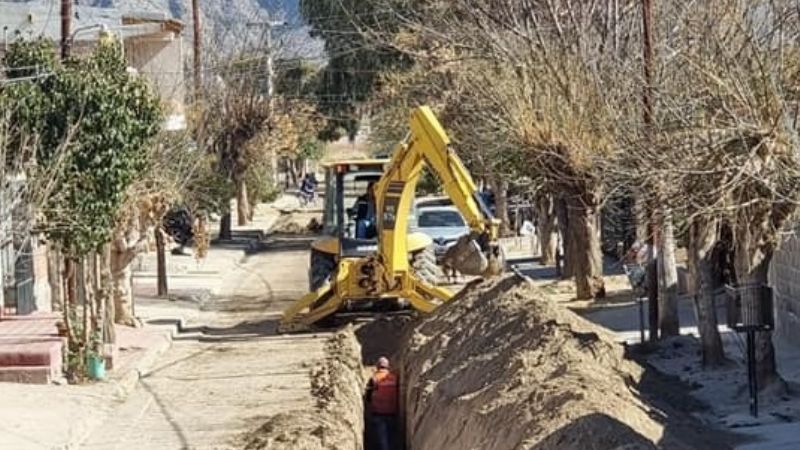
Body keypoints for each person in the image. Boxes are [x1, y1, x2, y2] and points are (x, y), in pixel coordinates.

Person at [366, 356, 398, 450]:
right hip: (392, 412)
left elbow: (368, 396)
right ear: (387, 366)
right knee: (391, 438)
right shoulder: (394, 378)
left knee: (382, 441)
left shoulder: (374, 378)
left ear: (377, 366)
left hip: (378, 413)